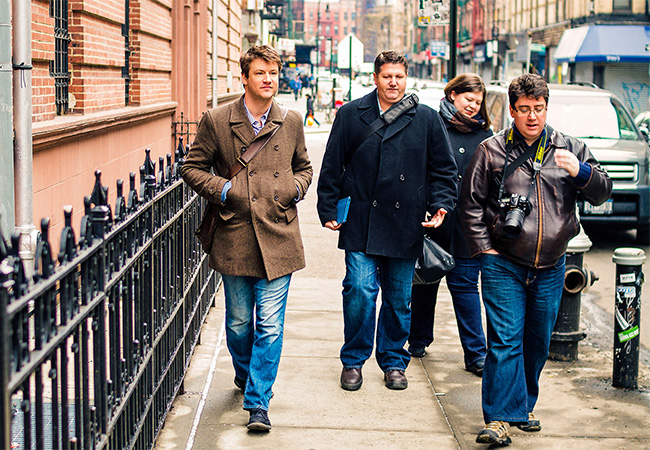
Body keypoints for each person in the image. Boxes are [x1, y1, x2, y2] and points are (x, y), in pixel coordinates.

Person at [459, 73, 612, 446]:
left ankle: (521, 407)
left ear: (547, 108)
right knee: (505, 340)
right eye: (524, 110)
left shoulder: (570, 147)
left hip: (552, 265)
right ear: (512, 110)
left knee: (536, 341)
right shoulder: (491, 150)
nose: (532, 117)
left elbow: (602, 191)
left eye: (538, 109)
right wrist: (486, 249)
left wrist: (582, 172)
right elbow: (470, 206)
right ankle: (498, 418)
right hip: (504, 262)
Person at [181, 45, 313, 432]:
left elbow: (303, 166)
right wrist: (225, 190)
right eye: (260, 73)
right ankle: (245, 374)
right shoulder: (218, 120)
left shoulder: (289, 121)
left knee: (270, 326)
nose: (269, 79)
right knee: (240, 324)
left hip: (279, 232)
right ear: (244, 77)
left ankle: (258, 402)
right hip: (235, 233)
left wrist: (294, 188)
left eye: (273, 73)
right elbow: (191, 167)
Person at [317, 50, 457, 392]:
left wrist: (441, 205)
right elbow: (332, 164)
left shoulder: (425, 118)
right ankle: (353, 359)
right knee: (360, 290)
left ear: (406, 78)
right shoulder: (352, 114)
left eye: (399, 76)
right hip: (361, 219)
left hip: (406, 221)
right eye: (386, 76)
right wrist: (328, 208)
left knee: (398, 298)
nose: (393, 82)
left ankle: (394, 359)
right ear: (375, 78)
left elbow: (444, 170)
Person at [408, 73, 492, 377]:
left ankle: (476, 354)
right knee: (425, 283)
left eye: (478, 102)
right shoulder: (433, 126)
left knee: (466, 288)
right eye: (468, 99)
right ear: (453, 94)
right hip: (434, 221)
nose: (473, 106)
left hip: (469, 227)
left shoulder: (486, 134)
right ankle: (417, 339)